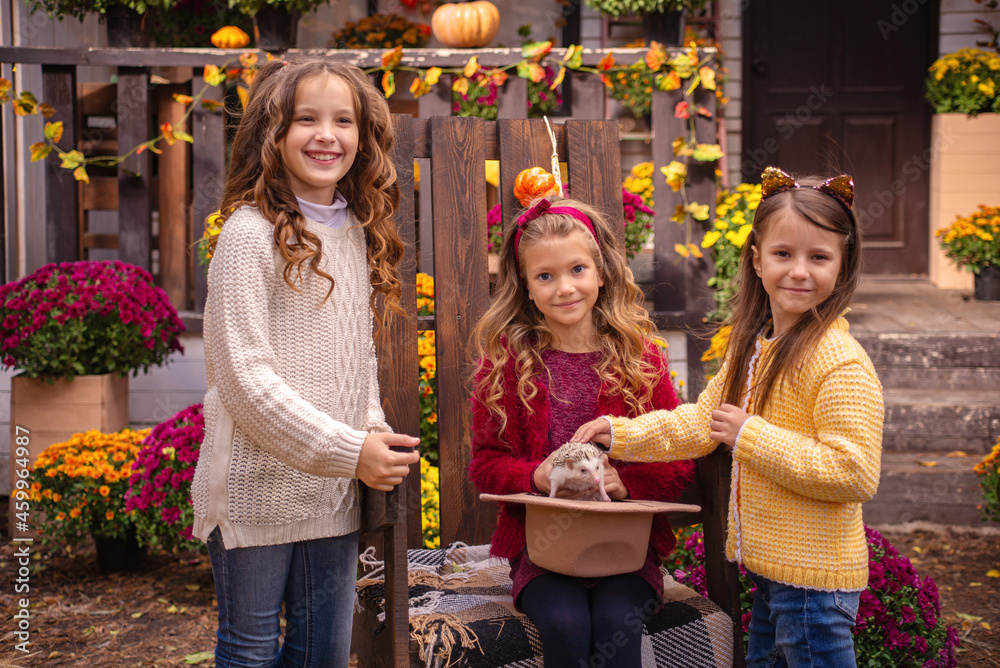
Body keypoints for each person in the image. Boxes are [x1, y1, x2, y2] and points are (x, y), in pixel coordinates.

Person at [573, 167, 885, 668]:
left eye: (819, 257)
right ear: (757, 260)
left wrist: (751, 435)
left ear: (842, 269)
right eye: (783, 254)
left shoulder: (838, 361)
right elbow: (699, 423)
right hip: (773, 573)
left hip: (814, 586)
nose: (799, 271)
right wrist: (621, 433)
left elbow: (854, 472)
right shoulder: (755, 348)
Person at [190, 57, 420, 668]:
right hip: (255, 490)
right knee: (253, 649)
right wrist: (351, 450)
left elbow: (355, 361)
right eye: (306, 119)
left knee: (322, 651)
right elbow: (245, 380)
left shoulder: (353, 229)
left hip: (332, 490)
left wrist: (369, 435)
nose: (327, 135)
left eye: (343, 120)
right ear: (273, 133)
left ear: (363, 137)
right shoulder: (248, 235)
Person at [468, 195, 696, 668]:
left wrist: (627, 483)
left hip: (626, 552)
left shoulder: (641, 361)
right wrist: (534, 476)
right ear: (527, 288)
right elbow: (486, 466)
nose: (564, 288)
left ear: (601, 273)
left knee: (617, 619)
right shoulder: (508, 367)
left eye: (577, 270)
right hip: (542, 553)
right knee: (565, 623)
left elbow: (678, 456)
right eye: (545, 276)